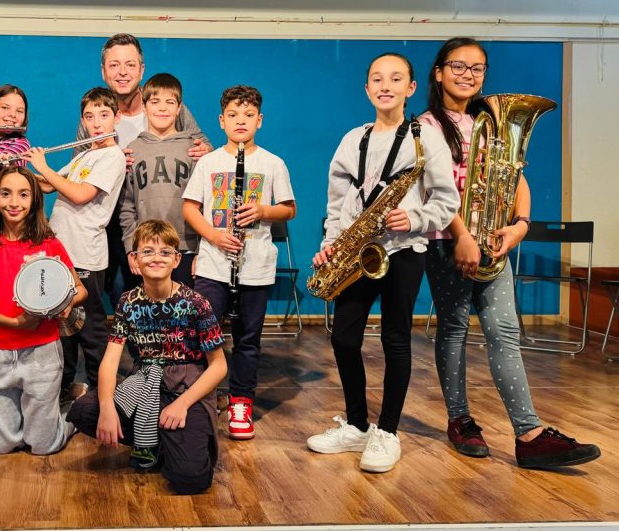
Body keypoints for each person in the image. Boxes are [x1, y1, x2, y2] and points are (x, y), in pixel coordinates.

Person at [420, 37, 601, 469]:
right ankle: (460, 420)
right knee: (454, 329)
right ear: (439, 73)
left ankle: (529, 434)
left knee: (505, 332)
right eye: (458, 66)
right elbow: (432, 188)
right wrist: (462, 236)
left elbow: (514, 176)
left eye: (477, 68)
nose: (468, 74)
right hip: (448, 241)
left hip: (492, 241)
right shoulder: (425, 126)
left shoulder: (489, 120)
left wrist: (520, 225)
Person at [306, 53, 458, 473]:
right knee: (344, 339)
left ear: (411, 88)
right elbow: (337, 203)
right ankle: (356, 425)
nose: (385, 85)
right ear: (367, 88)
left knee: (396, 339)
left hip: (404, 249)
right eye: (377, 79)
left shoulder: (426, 139)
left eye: (395, 78)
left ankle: (387, 432)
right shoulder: (352, 139)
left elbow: (447, 201)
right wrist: (331, 244)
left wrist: (415, 217)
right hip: (358, 252)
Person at [67, 219, 227, 494]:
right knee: (84, 411)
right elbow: (110, 361)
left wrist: (183, 404)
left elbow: (219, 365)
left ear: (176, 260)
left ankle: (167, 441)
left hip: (184, 387)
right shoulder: (128, 302)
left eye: (165, 252)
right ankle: (155, 439)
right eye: (148, 251)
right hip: (145, 384)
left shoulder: (196, 303)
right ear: (134, 259)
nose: (156, 258)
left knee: (191, 479)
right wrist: (106, 407)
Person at [182, 85, 296, 441]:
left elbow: (289, 209)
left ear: (260, 120)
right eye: (233, 115)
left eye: (248, 115)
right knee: (204, 334)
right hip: (214, 264)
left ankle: (241, 401)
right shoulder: (209, 162)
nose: (240, 121)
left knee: (248, 339)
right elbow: (190, 208)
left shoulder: (273, 163)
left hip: (255, 266)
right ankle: (200, 398)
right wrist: (214, 237)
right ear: (221, 121)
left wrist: (262, 210)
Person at [78, 34, 210, 311]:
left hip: (168, 221)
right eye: (114, 65)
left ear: (141, 69)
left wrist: (206, 150)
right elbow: (81, 169)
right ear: (103, 71)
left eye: (130, 64)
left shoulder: (164, 102)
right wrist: (110, 162)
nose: (122, 72)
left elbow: (202, 147)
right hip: (115, 218)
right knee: (123, 292)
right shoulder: (96, 112)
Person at [0, 166, 87, 454]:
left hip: (41, 352)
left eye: (23, 195)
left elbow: (80, 289)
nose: (14, 202)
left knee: (43, 446)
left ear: (34, 200)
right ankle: (33, 420)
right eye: (6, 194)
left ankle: (70, 413)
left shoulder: (49, 244)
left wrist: (65, 304)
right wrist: (16, 323)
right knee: (1, 445)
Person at [25, 87, 126, 403]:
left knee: (90, 328)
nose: (96, 123)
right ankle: (65, 386)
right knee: (64, 324)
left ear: (116, 118)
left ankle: (101, 394)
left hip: (85, 254)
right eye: (89, 116)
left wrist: (43, 166)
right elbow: (48, 185)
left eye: (104, 115)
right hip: (62, 249)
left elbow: (80, 194)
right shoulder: (85, 153)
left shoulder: (113, 156)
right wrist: (19, 171)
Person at [118, 73, 207, 287]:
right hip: (145, 248)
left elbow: (206, 205)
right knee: (146, 306)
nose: (162, 108)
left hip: (185, 248)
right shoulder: (133, 149)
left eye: (170, 102)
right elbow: (126, 206)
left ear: (179, 108)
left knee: (182, 306)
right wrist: (131, 247)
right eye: (155, 102)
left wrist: (203, 251)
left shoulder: (194, 149)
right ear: (144, 106)